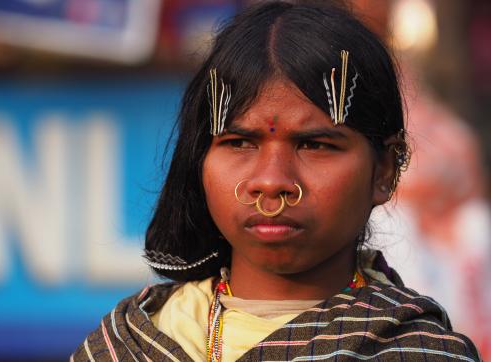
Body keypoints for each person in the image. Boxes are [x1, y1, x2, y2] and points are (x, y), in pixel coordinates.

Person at [72, 1, 481, 361]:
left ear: (385, 170)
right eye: (238, 143)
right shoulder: (129, 343)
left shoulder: (417, 351)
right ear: (200, 159)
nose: (271, 183)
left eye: (315, 145)